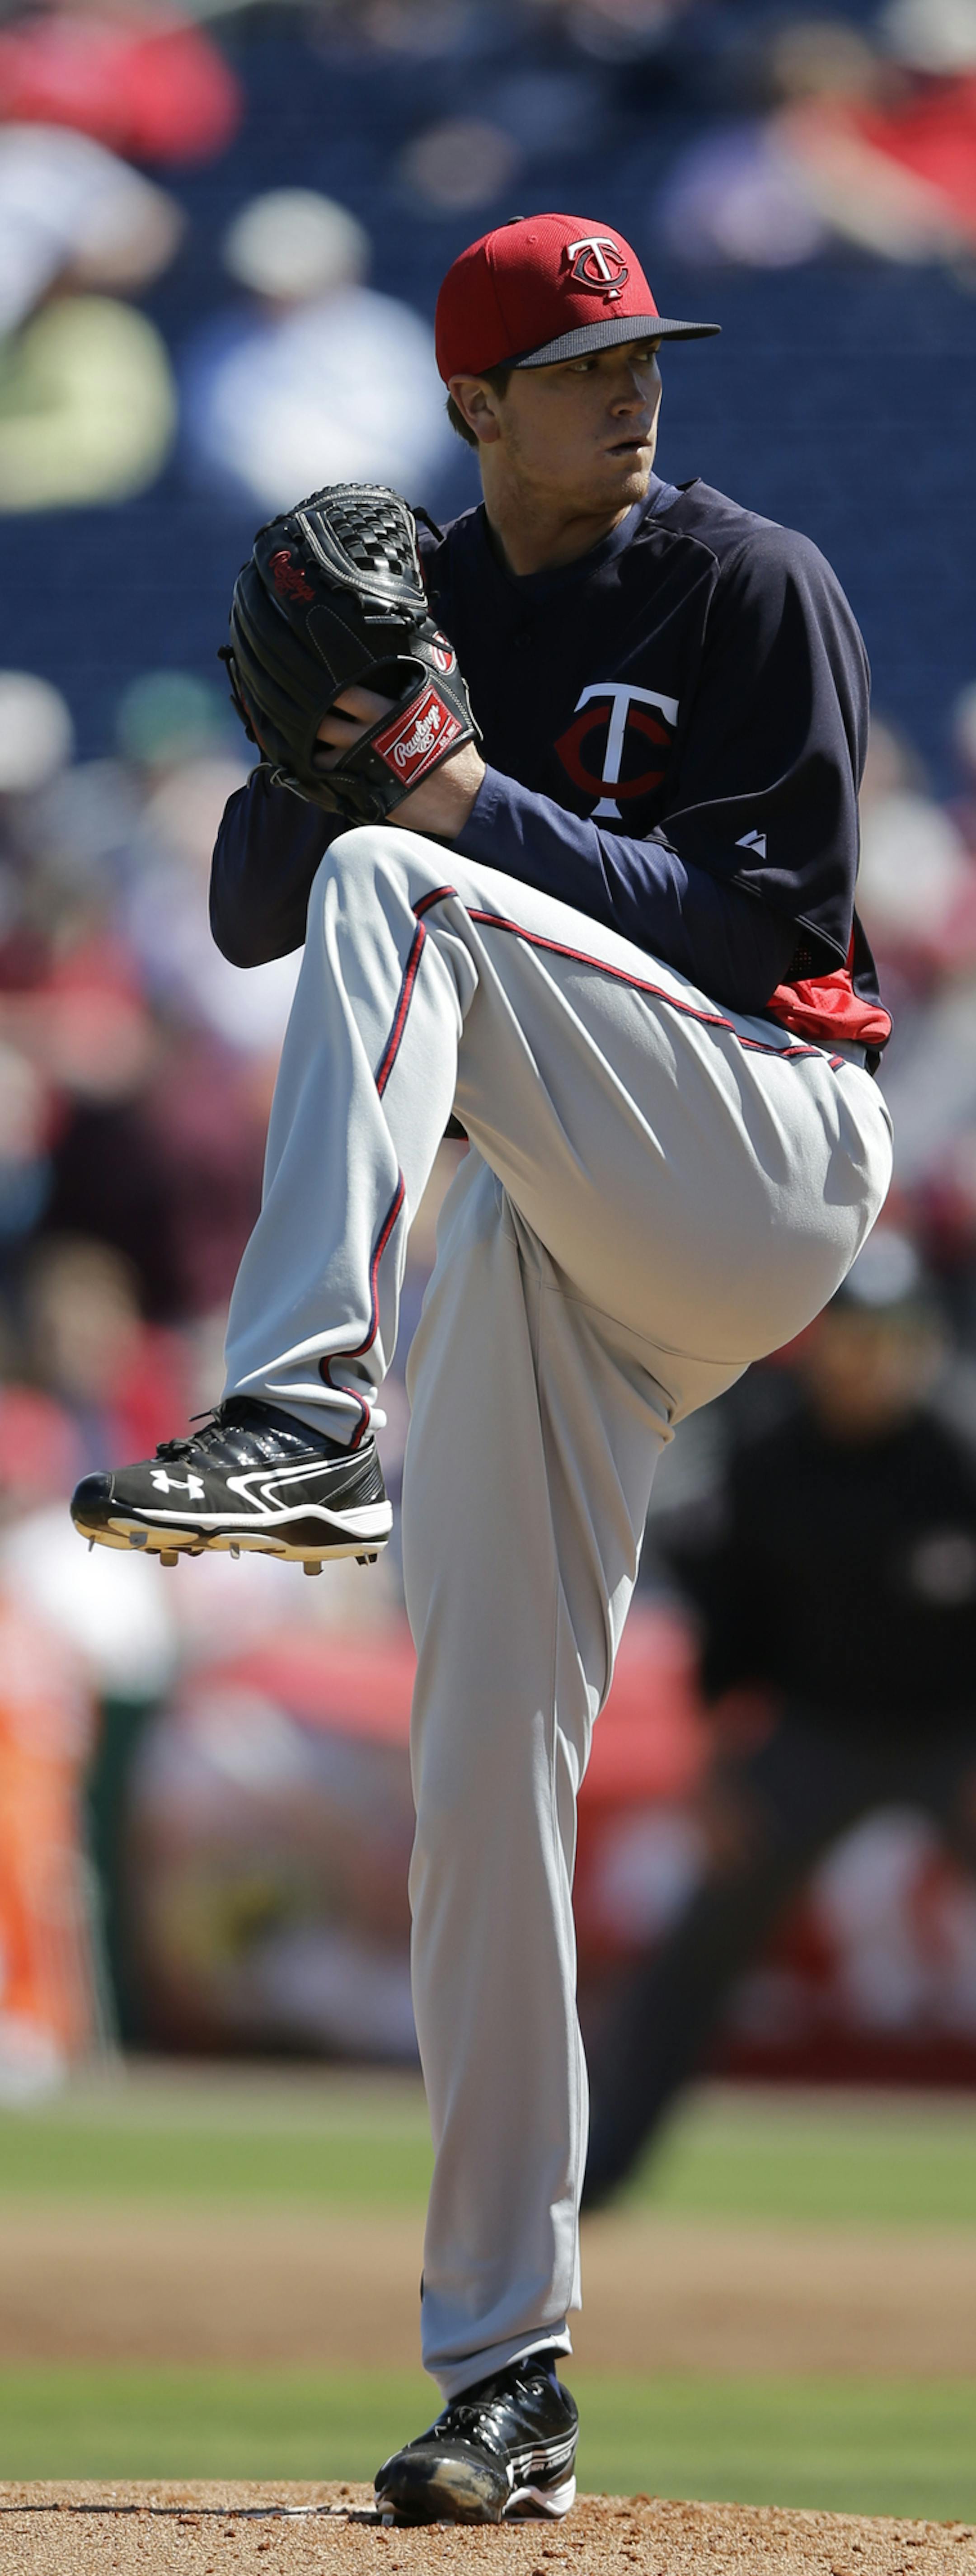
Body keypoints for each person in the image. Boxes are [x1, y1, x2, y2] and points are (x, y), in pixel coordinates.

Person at [71, 211, 894, 2525]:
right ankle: (503, 2372)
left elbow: (772, 941)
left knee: (402, 889)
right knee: (480, 1778)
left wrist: (435, 799)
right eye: (580, 363)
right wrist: (320, 739)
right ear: (472, 407)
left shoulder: (750, 584)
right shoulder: (430, 598)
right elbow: (255, 898)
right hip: (545, 1235)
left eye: (645, 354)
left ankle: (306, 1397)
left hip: (754, 1151)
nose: (632, 390)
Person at [582, 1228, 976, 2208]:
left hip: (956, 1743)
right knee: (698, 1948)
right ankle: (586, 2184)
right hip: (815, 1738)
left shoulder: (959, 1455)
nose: (869, 1359)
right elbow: (728, 1645)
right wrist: (716, 1778)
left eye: (890, 1337)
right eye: (851, 1336)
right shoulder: (769, 1464)